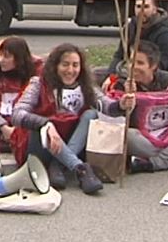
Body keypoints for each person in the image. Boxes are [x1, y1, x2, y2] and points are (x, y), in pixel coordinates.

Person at [99, 41, 168, 174]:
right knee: (125, 136)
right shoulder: (122, 83)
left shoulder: (167, 80)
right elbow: (114, 118)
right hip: (143, 139)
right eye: (131, 61)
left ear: (153, 66)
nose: (133, 67)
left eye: (140, 63)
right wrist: (127, 101)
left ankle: (152, 164)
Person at [10, 43, 104, 195]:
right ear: (55, 66)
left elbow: (106, 105)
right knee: (43, 127)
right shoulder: (38, 83)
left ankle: (59, 165)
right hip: (41, 145)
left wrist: (122, 103)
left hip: (68, 142)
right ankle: (80, 169)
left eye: (75, 65)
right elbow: (17, 114)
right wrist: (45, 124)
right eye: (65, 65)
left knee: (91, 114)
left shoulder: (85, 85)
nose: (70, 70)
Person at [0, 36, 42, 147]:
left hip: (25, 123)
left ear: (19, 59)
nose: (1, 60)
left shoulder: (37, 73)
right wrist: (3, 128)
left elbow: (40, 106)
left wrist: (18, 130)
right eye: (0, 55)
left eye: (7, 56)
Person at [107, 0, 168, 76]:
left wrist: (135, 75)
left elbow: (162, 64)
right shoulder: (130, 28)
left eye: (146, 7)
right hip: (130, 70)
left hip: (156, 75)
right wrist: (111, 76)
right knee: (96, 74)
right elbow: (119, 55)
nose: (141, 11)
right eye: (138, 6)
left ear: (154, 10)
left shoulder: (164, 33)